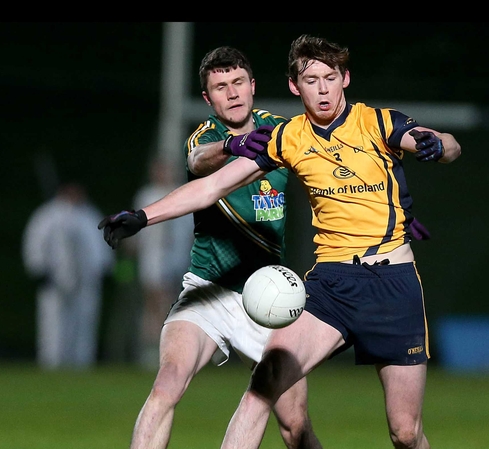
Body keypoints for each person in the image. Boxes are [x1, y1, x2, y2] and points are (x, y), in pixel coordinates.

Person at [99, 34, 462, 448]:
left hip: (392, 284)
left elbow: (443, 144)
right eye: (311, 80)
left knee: (405, 432)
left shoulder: (378, 122)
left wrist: (439, 146)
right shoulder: (286, 137)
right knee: (261, 390)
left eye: (330, 77)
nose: (322, 89)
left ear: (346, 78)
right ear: (295, 86)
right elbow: (209, 184)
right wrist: (145, 216)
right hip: (330, 284)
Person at [99, 46, 322, 449]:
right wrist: (232, 148)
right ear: (208, 99)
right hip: (209, 289)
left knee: (295, 426)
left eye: (238, 83)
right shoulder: (207, 138)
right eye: (220, 87)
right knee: (168, 382)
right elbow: (200, 162)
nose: (232, 93)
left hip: (269, 298)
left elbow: (330, 169)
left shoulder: (283, 132)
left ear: (253, 87)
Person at [22, 181, 114, 370]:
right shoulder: (48, 215)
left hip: (86, 281)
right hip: (55, 281)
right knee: (53, 323)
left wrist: (104, 269)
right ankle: (51, 362)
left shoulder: (89, 215)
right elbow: (35, 242)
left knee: (85, 323)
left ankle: (82, 362)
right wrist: (38, 269)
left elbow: (101, 245)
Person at [129, 157, 193, 368]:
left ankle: (173, 350)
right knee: (154, 300)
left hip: (177, 257)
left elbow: (190, 230)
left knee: (173, 302)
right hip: (153, 257)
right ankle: (152, 348)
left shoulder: (184, 193)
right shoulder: (146, 195)